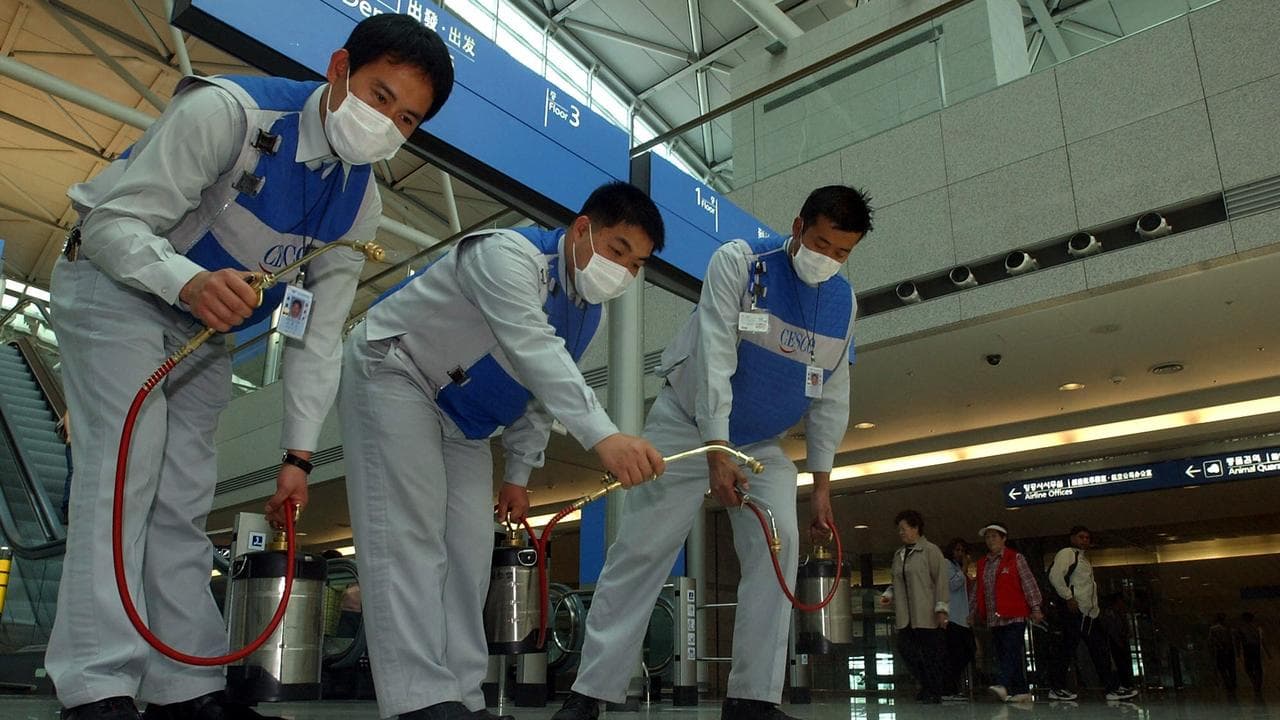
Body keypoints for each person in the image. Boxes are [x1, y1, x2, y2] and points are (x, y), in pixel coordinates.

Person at [45, 15, 453, 720]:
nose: (387, 124)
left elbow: (318, 338)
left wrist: (297, 453)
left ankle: (184, 687)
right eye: (380, 96)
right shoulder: (227, 114)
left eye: (408, 118)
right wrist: (188, 281)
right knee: (126, 472)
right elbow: (112, 225)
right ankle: (96, 682)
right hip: (117, 287)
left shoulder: (361, 204)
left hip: (204, 332)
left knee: (183, 494)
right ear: (338, 70)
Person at [340, 181, 669, 720]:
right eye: (618, 251)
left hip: (466, 422)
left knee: (469, 554)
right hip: (397, 370)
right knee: (410, 536)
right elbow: (533, 349)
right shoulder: (505, 254)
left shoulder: (588, 312)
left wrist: (518, 474)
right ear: (582, 229)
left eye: (637, 265)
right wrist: (604, 435)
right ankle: (418, 700)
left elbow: (538, 396)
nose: (625, 272)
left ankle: (463, 697)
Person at [553, 185, 873, 720]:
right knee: (643, 549)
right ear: (797, 227)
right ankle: (591, 692)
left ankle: (752, 698)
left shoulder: (844, 301)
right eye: (820, 243)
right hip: (686, 422)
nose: (828, 260)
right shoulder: (742, 263)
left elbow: (832, 393)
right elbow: (716, 356)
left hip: (761, 444)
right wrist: (715, 450)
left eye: (842, 252)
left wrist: (821, 487)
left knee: (780, 545)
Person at [1045, 526, 1138, 702]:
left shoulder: (1083, 558)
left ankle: (1111, 687)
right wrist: (1068, 597)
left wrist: (1092, 609)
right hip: (1076, 611)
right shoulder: (1067, 554)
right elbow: (1055, 576)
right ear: (1072, 538)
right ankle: (1058, 687)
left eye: (1087, 537)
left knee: (1095, 649)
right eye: (1081, 537)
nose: (1085, 540)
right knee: (1072, 648)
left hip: (1087, 613)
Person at [878, 510, 949, 704]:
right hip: (905, 615)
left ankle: (933, 690)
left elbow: (940, 580)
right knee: (906, 650)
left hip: (925, 613)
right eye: (899, 529)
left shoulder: (930, 551)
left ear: (916, 528)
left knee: (929, 654)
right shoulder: (899, 554)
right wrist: (888, 595)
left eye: (904, 529)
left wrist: (941, 609)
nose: (900, 533)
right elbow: (896, 581)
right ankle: (927, 685)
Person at [973, 522, 1043, 704]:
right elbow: (978, 589)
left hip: (1015, 615)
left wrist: (1035, 607)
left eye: (994, 536)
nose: (990, 540)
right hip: (994, 618)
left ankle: (1002, 685)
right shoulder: (982, 563)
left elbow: (1028, 583)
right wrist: (973, 610)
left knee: (1011, 649)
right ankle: (1021, 690)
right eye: (987, 537)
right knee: (1005, 653)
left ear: (1004, 538)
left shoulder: (1015, 558)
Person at [942, 537, 976, 701]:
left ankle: (951, 686)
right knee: (956, 653)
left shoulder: (957, 567)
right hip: (952, 617)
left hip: (962, 617)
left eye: (962, 550)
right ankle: (949, 688)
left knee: (968, 650)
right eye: (957, 550)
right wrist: (964, 569)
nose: (960, 553)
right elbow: (952, 585)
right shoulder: (947, 565)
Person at [1099, 593, 1135, 692]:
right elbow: (1111, 630)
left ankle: (1126, 683)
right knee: (1118, 664)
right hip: (1114, 642)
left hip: (1120, 641)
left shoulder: (1120, 614)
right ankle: (1122, 684)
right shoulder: (1110, 614)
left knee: (1123, 663)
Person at [1237, 611, 1269, 695]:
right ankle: (1257, 684)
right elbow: (1262, 640)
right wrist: (1267, 652)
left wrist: (1238, 652)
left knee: (1249, 668)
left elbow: (1239, 640)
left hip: (1248, 649)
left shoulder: (1241, 628)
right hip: (1255, 648)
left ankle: (1255, 683)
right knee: (1257, 667)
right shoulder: (1257, 628)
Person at [1209, 613, 1238, 695]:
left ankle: (1228, 684)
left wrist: (1218, 646)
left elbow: (1211, 641)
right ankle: (1232, 684)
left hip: (1221, 650)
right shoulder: (1229, 628)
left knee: (1222, 668)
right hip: (1229, 650)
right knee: (1231, 668)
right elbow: (1232, 640)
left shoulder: (1213, 629)